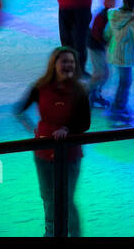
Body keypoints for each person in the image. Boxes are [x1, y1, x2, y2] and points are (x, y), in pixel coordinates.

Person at [16, 47, 91, 237]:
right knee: (48, 197)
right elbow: (19, 110)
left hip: (70, 154)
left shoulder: (79, 90)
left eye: (71, 62)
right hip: (43, 153)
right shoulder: (40, 87)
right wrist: (35, 130)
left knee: (66, 199)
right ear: (54, 64)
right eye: (64, 61)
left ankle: (74, 234)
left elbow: (85, 122)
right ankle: (51, 233)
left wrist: (68, 129)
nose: (68, 65)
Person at [107, 0, 134, 124]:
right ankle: (118, 109)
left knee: (123, 82)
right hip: (126, 55)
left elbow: (108, 32)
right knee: (125, 82)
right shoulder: (133, 18)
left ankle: (119, 105)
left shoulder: (114, 14)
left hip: (115, 52)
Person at [88, 0, 116, 108]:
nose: (114, 4)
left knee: (104, 73)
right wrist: (106, 43)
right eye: (112, 1)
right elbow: (96, 33)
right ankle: (88, 94)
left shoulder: (108, 14)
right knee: (100, 73)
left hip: (98, 46)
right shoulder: (102, 15)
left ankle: (94, 94)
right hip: (95, 46)